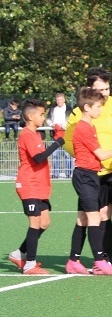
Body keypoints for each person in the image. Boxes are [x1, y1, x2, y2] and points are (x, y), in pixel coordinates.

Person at [64, 68, 112, 262]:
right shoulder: (79, 113)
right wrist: (87, 156)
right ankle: (105, 259)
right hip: (94, 172)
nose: (105, 93)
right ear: (90, 90)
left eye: (107, 89)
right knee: (102, 214)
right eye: (100, 90)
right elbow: (69, 140)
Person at [10, 99, 65, 275]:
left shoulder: (36, 135)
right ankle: (29, 264)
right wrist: (58, 143)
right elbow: (38, 158)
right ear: (30, 116)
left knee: (45, 222)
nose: (43, 118)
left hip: (39, 186)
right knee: (35, 223)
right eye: (41, 114)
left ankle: (18, 254)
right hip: (29, 184)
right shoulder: (26, 135)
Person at [46, 92, 72, 178]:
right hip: (55, 134)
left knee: (67, 154)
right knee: (55, 155)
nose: (59, 102)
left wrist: (63, 125)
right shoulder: (53, 108)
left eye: (60, 100)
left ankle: (68, 173)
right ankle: (56, 174)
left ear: (64, 100)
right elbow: (48, 119)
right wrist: (51, 124)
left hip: (66, 134)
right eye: (57, 100)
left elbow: (72, 120)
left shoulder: (69, 109)